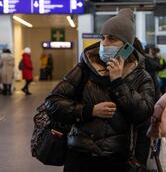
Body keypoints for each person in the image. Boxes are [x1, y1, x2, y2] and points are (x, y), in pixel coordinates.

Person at [44, 9, 155, 172]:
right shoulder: (84, 69)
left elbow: (143, 115)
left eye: (111, 39)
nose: (104, 43)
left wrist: (118, 82)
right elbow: (52, 102)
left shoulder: (140, 76)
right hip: (79, 156)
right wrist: (89, 111)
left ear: (126, 46)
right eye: (102, 37)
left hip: (116, 160)